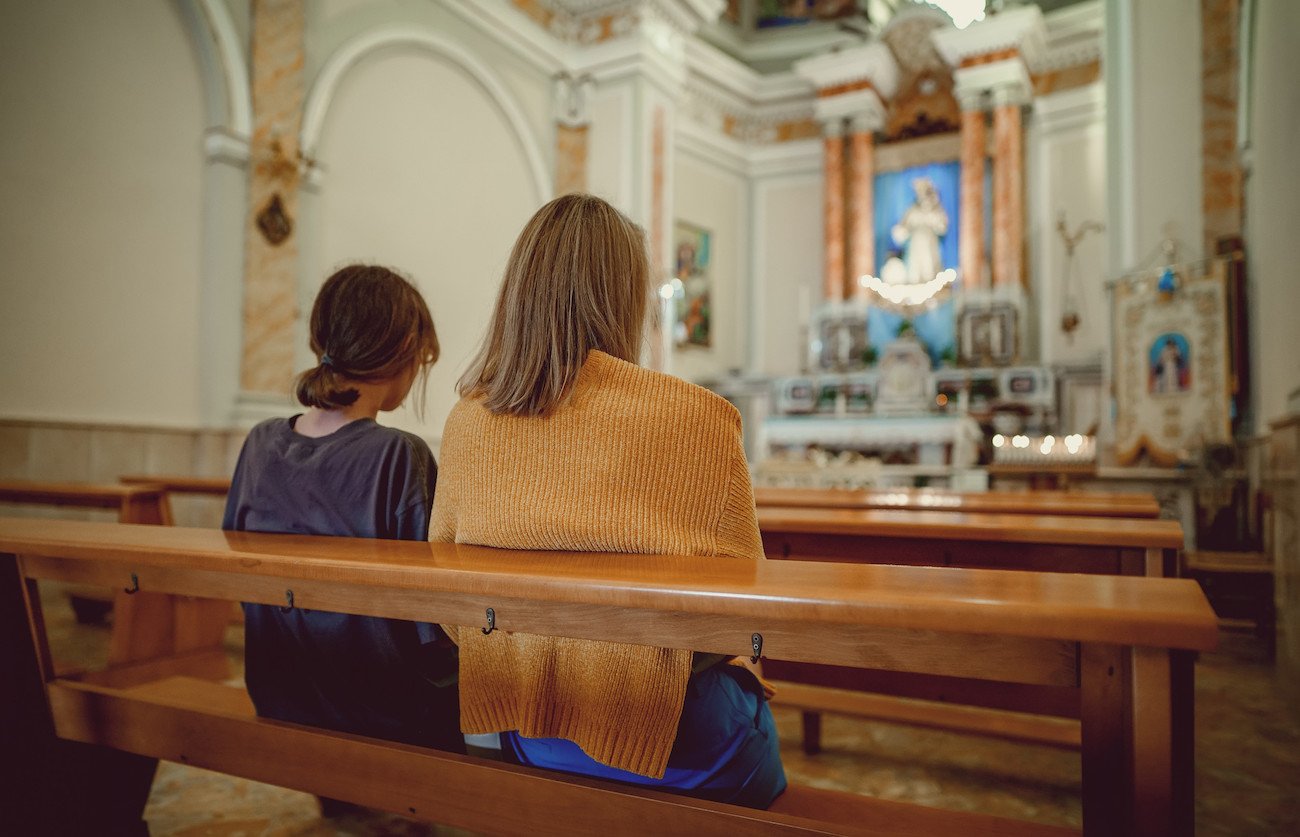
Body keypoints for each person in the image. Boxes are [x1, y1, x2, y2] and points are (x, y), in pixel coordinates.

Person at [431, 193, 787, 808]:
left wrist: (547, 659)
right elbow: (741, 618)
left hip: (529, 729)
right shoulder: (697, 419)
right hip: (680, 743)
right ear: (627, 300)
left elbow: (448, 603)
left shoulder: (468, 422)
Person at [222, 264, 462, 755]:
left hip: (278, 696)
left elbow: (242, 588)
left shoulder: (260, 443)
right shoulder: (398, 455)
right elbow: (434, 621)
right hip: (387, 716)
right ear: (405, 348)